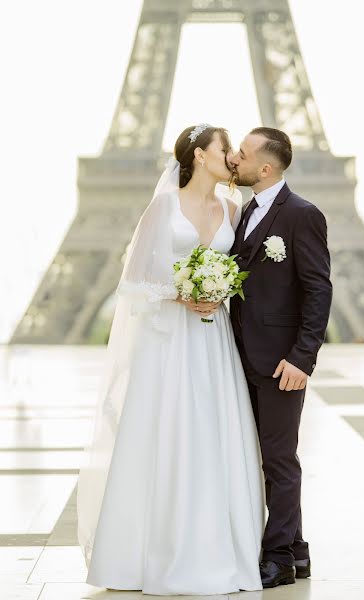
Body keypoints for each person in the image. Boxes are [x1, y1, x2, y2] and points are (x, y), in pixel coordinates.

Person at [76, 124, 265, 594]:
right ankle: (152, 552)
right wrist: (182, 294)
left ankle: (216, 548)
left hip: (212, 341)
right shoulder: (163, 206)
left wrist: (217, 293)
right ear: (200, 155)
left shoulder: (233, 207)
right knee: (168, 431)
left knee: (212, 433)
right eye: (226, 150)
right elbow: (135, 280)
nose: (233, 159)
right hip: (170, 340)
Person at [229, 127, 332, 588]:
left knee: (279, 460)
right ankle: (297, 549)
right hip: (239, 357)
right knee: (265, 457)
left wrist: (302, 358)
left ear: (265, 168)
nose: (235, 159)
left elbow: (318, 289)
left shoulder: (302, 215)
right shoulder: (242, 213)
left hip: (281, 363)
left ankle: (278, 559)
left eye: (244, 154)